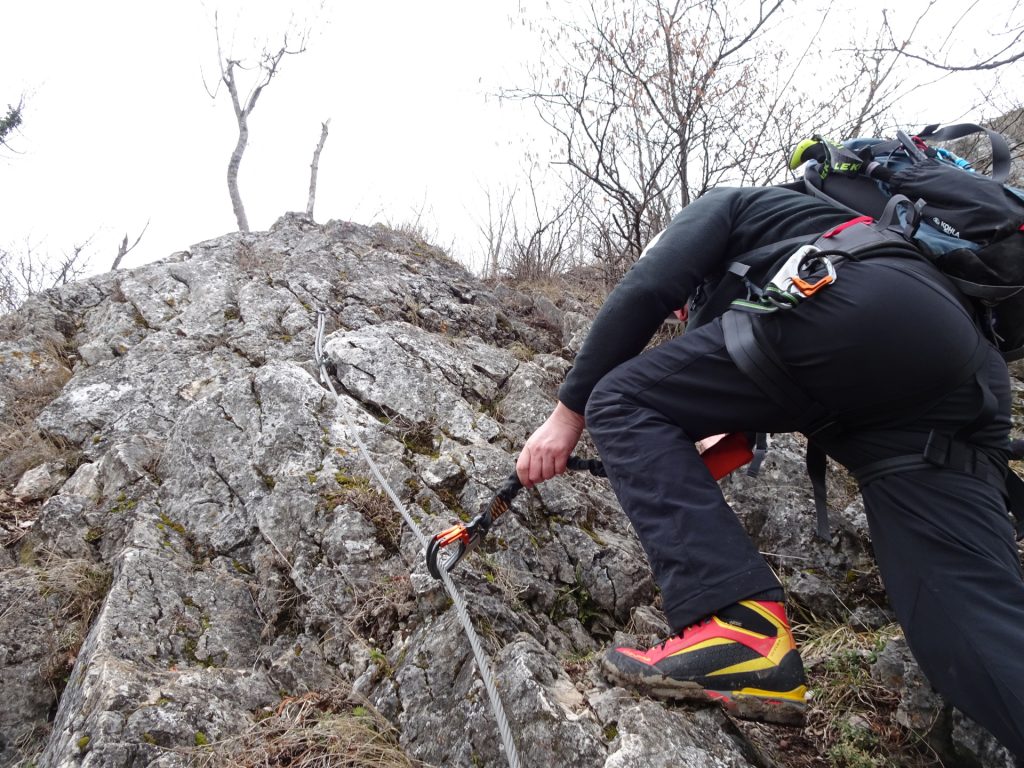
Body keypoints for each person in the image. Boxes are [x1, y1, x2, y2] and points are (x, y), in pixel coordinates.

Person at [515, 185, 1024, 757]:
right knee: (961, 622)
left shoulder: (724, 205)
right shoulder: (765, 275)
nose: (685, 312)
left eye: (688, 306)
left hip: (861, 302)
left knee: (618, 399)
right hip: (956, 376)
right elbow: (724, 436)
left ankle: (742, 631)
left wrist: (567, 415)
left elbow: (648, 289)